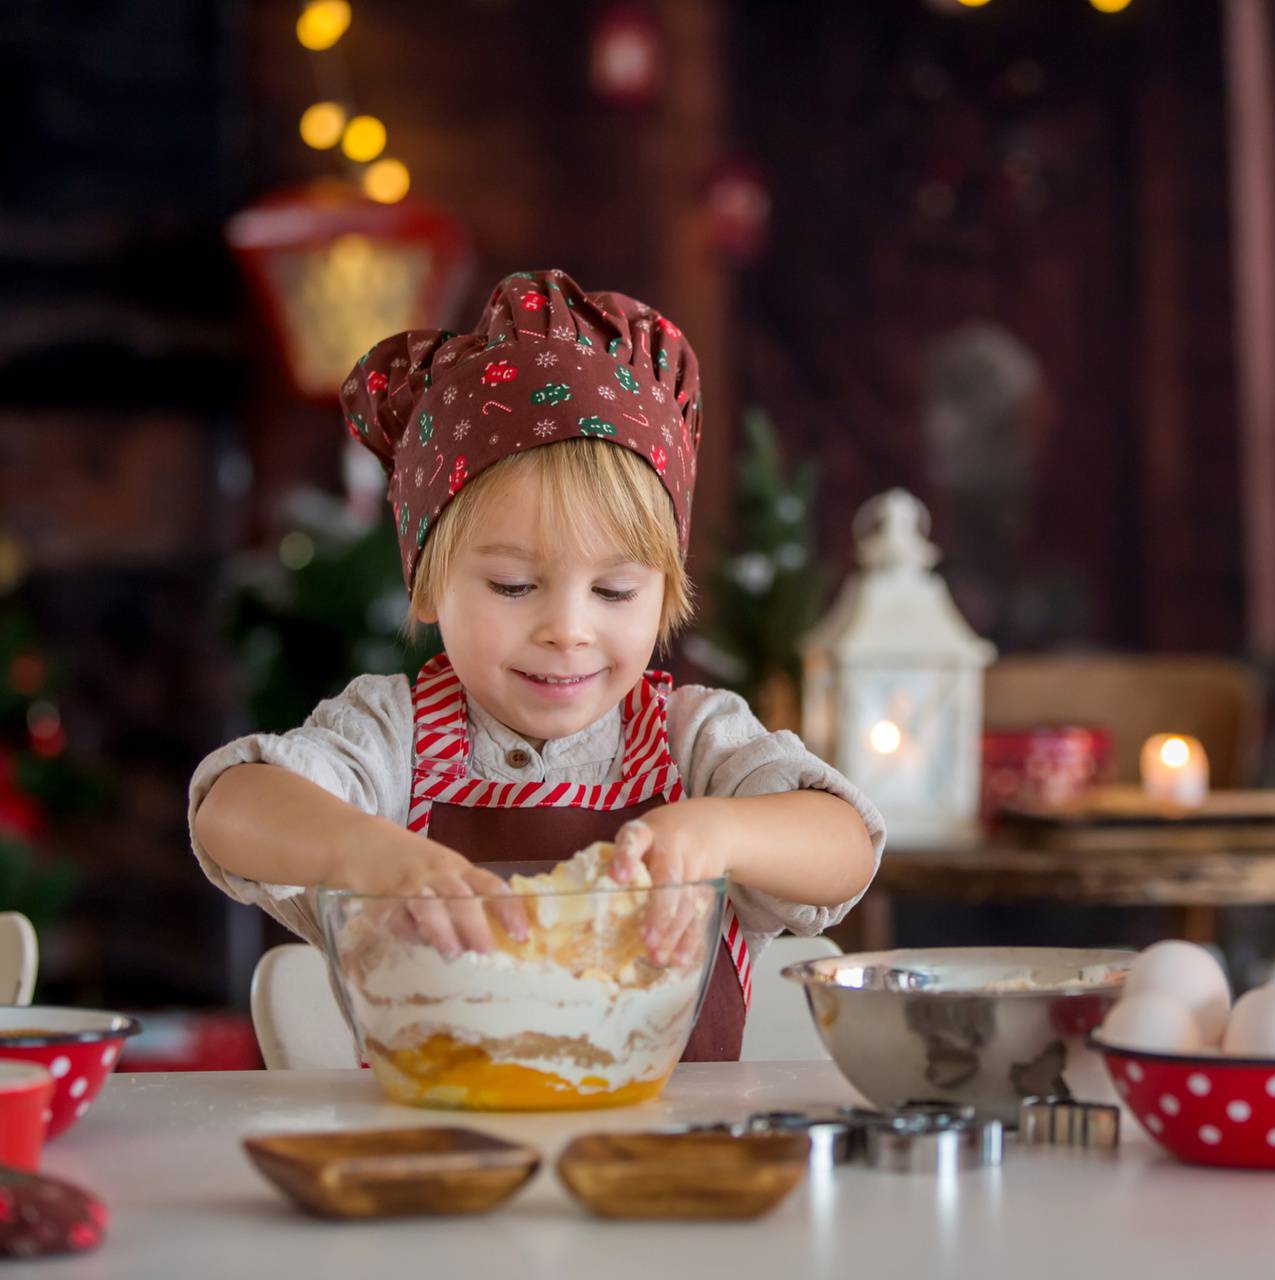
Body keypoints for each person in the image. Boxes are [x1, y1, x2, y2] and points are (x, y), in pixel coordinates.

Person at [189, 269, 883, 1060]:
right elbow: (229, 807)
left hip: (665, 1164)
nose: (567, 629)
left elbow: (845, 845)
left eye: (615, 590)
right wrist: (363, 851)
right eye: (515, 585)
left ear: (664, 594)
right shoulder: (392, 739)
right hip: (440, 1159)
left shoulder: (696, 743)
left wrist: (716, 831)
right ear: (426, 582)